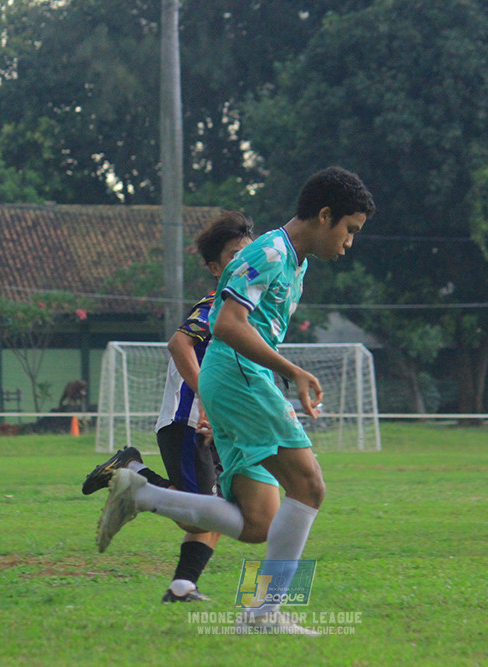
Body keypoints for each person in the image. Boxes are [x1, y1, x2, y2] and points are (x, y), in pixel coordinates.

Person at [95, 167, 375, 633]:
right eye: (350, 230)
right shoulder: (268, 251)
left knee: (259, 522)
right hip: (242, 379)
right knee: (309, 487)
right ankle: (263, 616)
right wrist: (291, 371)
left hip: (240, 382)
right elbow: (226, 325)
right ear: (325, 216)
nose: (349, 242)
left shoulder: (296, 263)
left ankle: (142, 492)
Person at [82, 211, 255, 603]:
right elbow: (180, 344)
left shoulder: (247, 308)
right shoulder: (218, 303)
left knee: (220, 508)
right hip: (188, 421)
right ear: (215, 268)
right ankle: (130, 470)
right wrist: (209, 398)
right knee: (196, 511)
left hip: (215, 425)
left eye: (248, 254)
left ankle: (182, 587)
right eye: (233, 256)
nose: (243, 262)